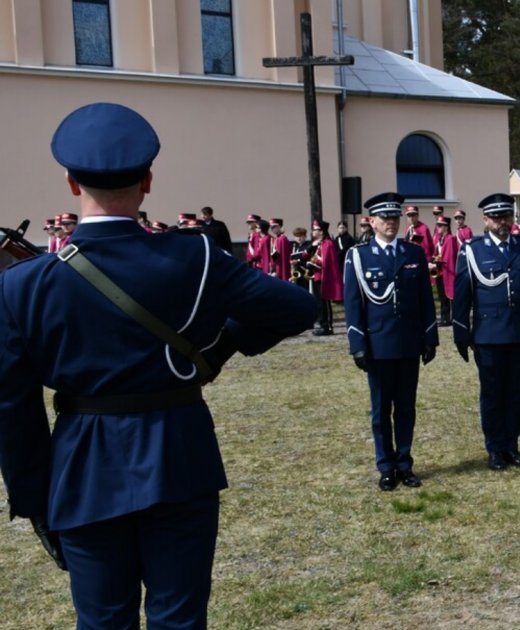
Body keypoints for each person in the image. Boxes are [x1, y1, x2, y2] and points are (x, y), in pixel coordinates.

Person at [0, 102, 318, 628]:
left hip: (81, 467)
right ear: (149, 181)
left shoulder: (21, 285)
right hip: (179, 451)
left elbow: (13, 407)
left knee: (102, 621)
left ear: (71, 183)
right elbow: (298, 307)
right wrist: (217, 350)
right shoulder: (194, 257)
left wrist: (36, 498)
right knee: (179, 618)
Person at [344, 192, 439, 491]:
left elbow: (425, 298)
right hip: (378, 345)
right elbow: (353, 305)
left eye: (395, 218)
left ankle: (405, 463)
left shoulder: (413, 254)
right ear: (371, 222)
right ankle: (385, 465)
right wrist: (357, 345)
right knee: (381, 409)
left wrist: (430, 337)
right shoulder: (359, 257)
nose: (391, 223)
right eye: (385, 218)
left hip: (409, 343)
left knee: (407, 408)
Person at [453, 193, 520, 471]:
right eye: (496, 218)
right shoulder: (472, 249)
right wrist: (461, 333)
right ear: (485, 220)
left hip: (519, 333)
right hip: (488, 336)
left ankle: (512, 445)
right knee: (492, 393)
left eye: (506, 216)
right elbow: (462, 295)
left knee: (514, 392)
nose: (502, 222)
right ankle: (494, 448)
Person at [310, 220, 344, 336]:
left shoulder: (327, 243)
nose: (313, 231)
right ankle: (322, 324)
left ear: (321, 231)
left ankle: (327, 326)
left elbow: (325, 262)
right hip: (317, 276)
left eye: (315, 229)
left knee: (325, 303)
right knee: (319, 303)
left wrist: (315, 263)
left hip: (323, 276)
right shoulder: (319, 243)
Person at [431, 216, 456, 326]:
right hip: (440, 271)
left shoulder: (450, 239)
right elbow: (437, 254)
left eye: (440, 225)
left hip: (448, 271)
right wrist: (434, 258)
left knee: (449, 296)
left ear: (446, 227)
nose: (438, 227)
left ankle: (450, 318)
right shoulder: (440, 239)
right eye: (437, 225)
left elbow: (449, 258)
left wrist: (437, 262)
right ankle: (444, 318)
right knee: (442, 296)